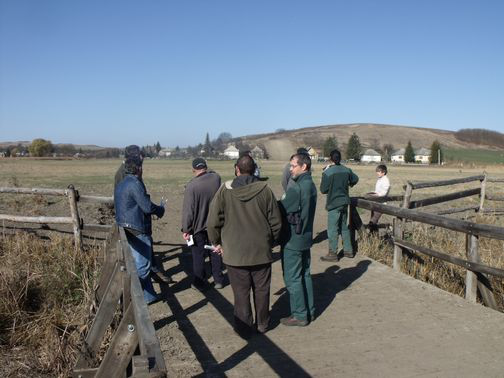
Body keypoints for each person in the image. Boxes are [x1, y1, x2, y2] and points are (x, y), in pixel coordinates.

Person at [207, 155, 282, 337]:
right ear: (254, 169)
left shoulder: (224, 191)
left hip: (234, 253)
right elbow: (276, 223)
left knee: (241, 292)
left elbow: (213, 222)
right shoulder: (266, 191)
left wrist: (216, 242)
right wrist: (270, 243)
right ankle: (263, 324)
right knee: (262, 290)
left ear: (236, 169)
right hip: (260, 251)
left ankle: (244, 328)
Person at [114, 145, 172, 283]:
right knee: (141, 255)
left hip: (135, 217)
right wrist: (156, 209)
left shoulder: (128, 171)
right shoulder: (125, 174)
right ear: (133, 156)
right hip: (134, 220)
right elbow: (129, 197)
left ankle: (150, 283)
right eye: (140, 156)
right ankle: (146, 281)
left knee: (144, 251)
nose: (142, 159)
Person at [279, 153, 317, 327]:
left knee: (292, 278)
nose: (290, 169)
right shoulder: (310, 184)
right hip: (306, 237)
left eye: (293, 165)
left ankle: (300, 315)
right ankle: (310, 310)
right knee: (305, 275)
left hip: (293, 239)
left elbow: (281, 209)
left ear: (304, 167)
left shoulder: (296, 187)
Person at [181, 158, 224, 290]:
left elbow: (188, 211)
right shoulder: (216, 178)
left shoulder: (191, 186)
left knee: (198, 255)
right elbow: (213, 173)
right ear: (206, 166)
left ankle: (199, 282)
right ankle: (218, 280)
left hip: (197, 227)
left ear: (193, 169)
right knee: (215, 251)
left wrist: (185, 229)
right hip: (214, 224)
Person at [320, 149, 359, 261]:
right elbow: (355, 179)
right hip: (344, 203)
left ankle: (332, 254)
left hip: (333, 204)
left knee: (332, 229)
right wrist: (349, 183)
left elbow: (323, 189)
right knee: (344, 227)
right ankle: (348, 251)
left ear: (330, 159)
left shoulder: (327, 172)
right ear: (340, 158)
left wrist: (324, 173)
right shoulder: (346, 170)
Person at [367, 164, 391, 231]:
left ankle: (388, 226)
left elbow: (384, 192)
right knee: (374, 221)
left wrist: (376, 195)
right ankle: (374, 237)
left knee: (373, 221)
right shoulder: (380, 179)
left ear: (383, 172)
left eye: (378, 171)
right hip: (376, 202)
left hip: (381, 204)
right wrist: (373, 192)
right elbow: (378, 190)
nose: (377, 173)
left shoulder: (386, 180)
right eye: (377, 171)